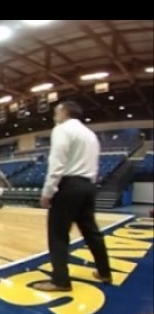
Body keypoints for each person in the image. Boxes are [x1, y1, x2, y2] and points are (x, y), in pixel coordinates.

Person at [32, 101, 112, 292]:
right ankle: (104, 272)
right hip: (88, 185)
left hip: (68, 186)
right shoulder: (91, 135)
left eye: (55, 113)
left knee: (58, 234)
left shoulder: (61, 129)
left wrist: (47, 192)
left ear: (64, 112)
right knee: (92, 232)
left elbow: (57, 164)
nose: (54, 117)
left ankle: (61, 281)